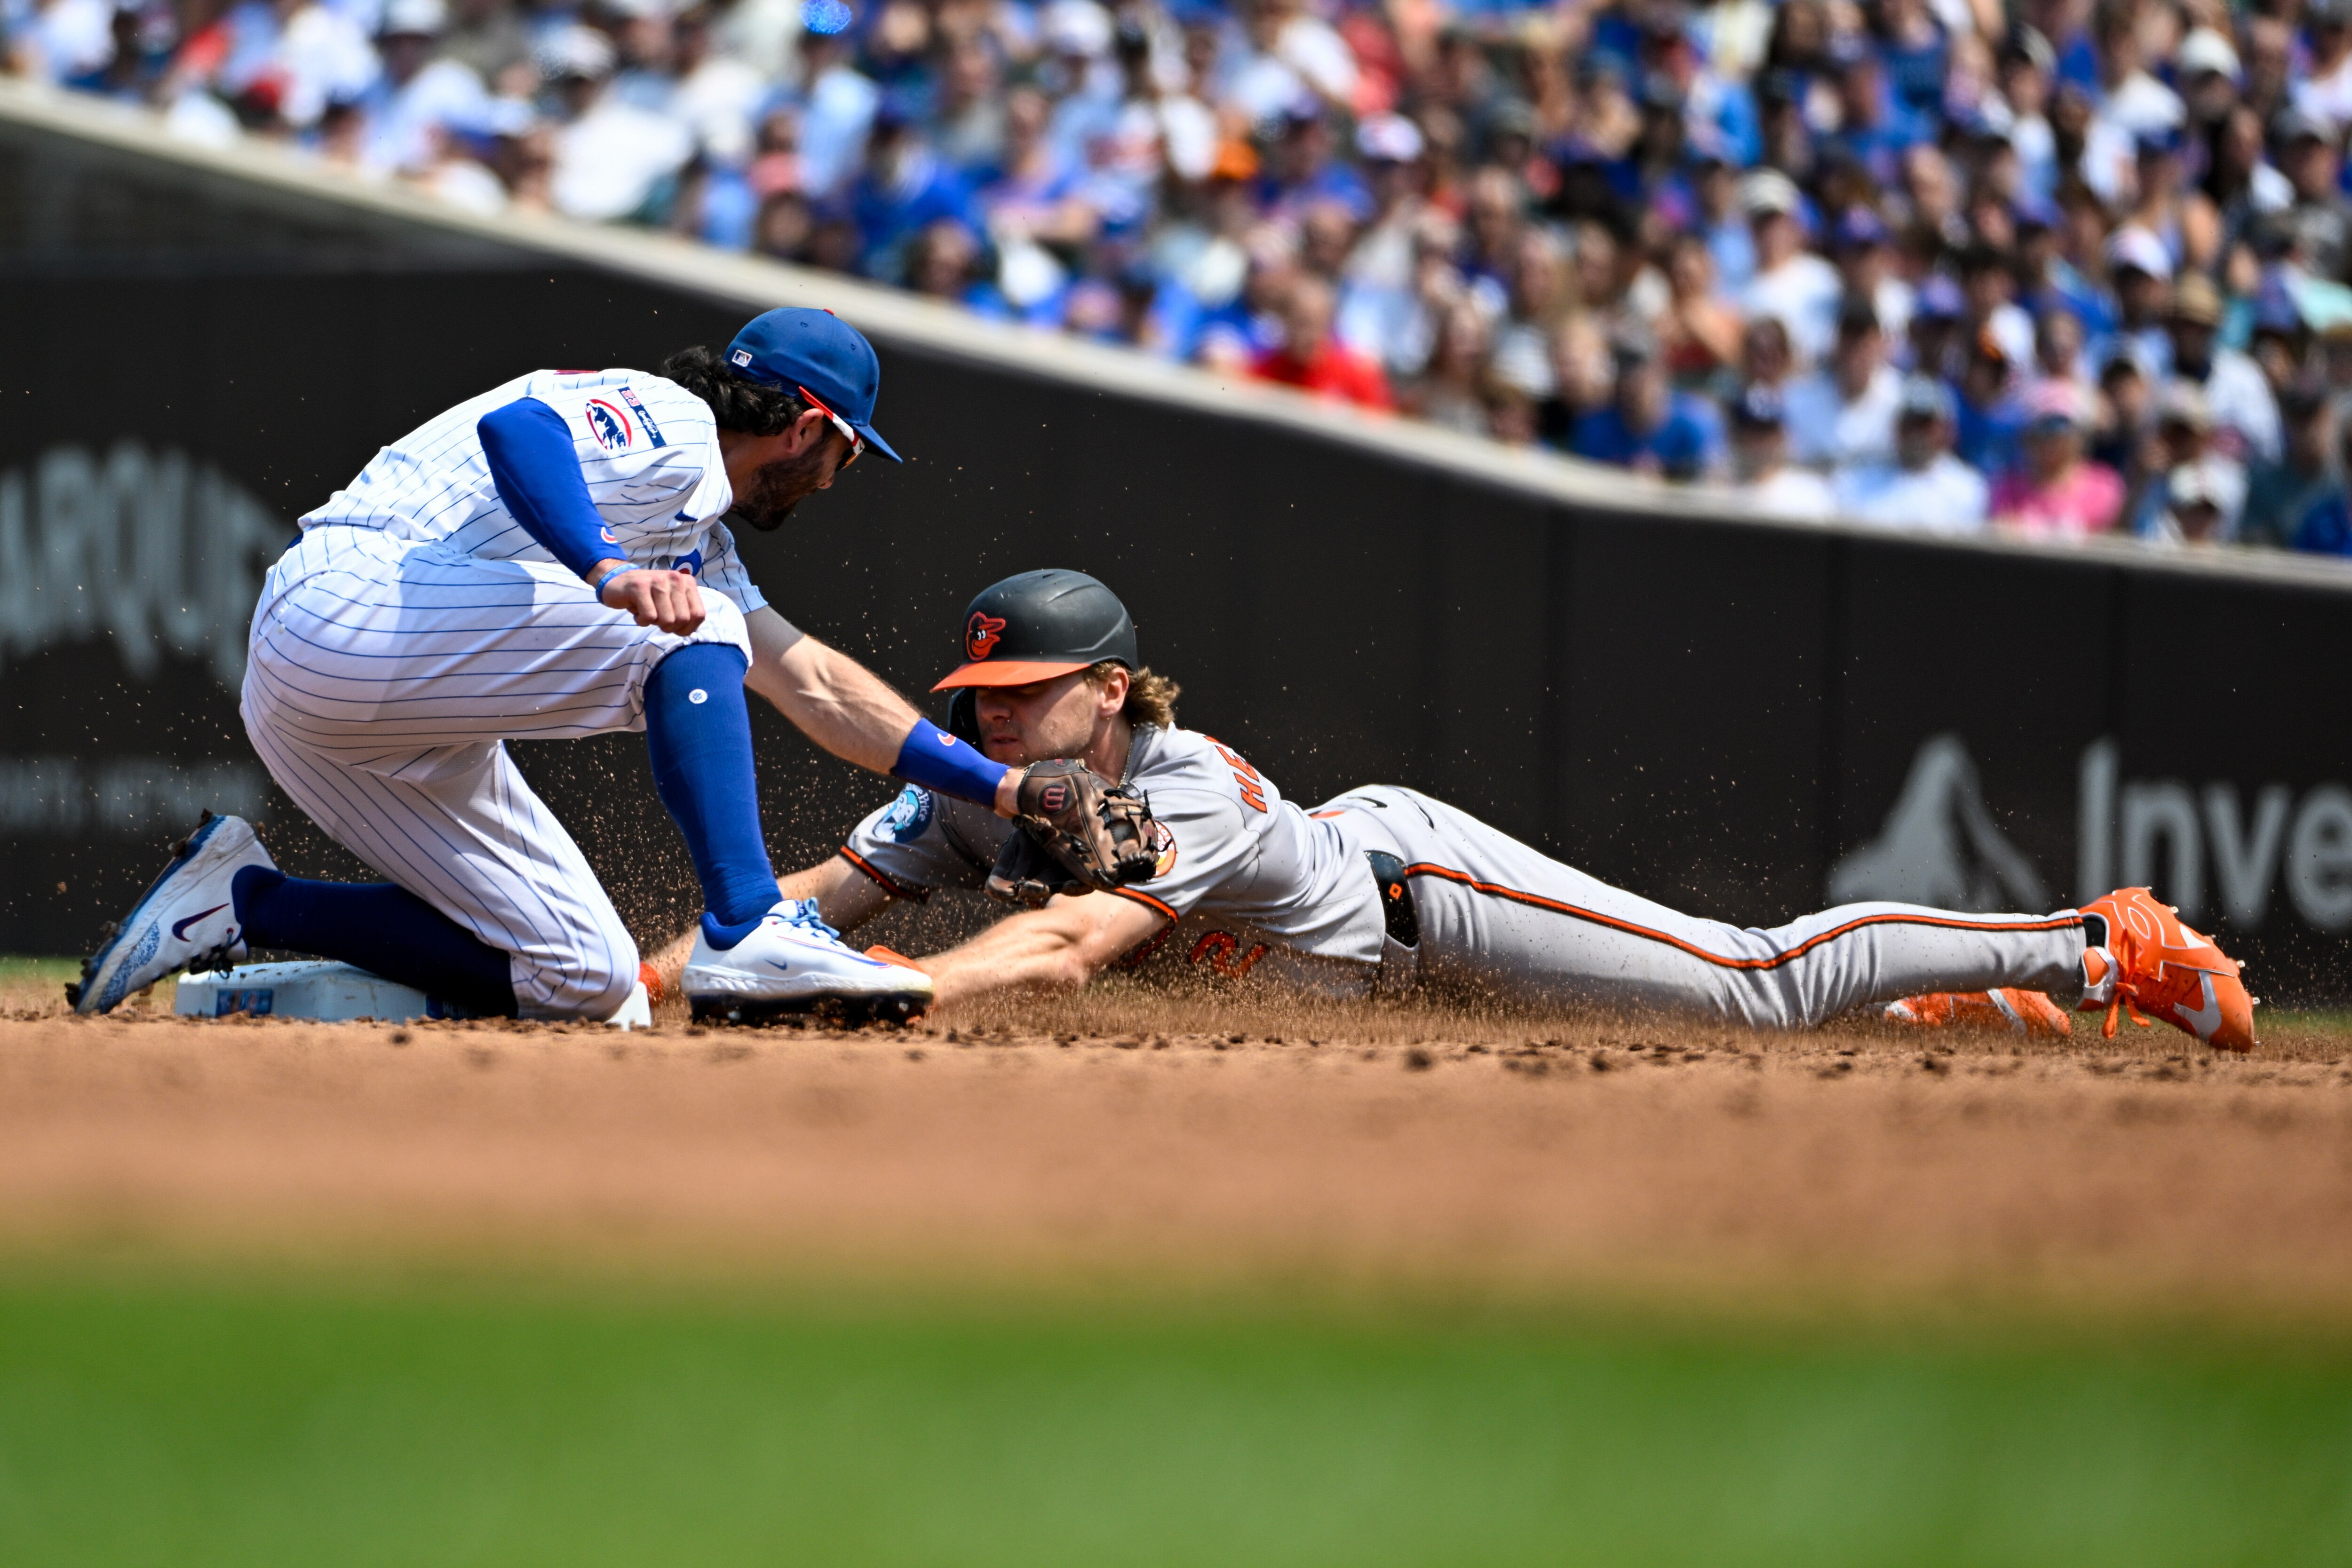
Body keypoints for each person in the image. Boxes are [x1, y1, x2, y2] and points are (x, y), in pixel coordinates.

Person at [650, 570, 2254, 1050]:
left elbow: (1069, 941)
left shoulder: (1178, 785)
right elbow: (792, 902)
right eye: (980, 691)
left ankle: (2096, 939)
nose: (991, 711)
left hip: (1428, 893)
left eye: (1028, 688)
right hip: (1356, 985)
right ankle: (1951, 1002)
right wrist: (632, 979)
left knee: (1758, 987)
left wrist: (868, 998)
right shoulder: (976, 801)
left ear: (1116, 691)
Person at [72, 309, 1078, 1025]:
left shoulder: (699, 541)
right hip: (349, 601)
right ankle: (747, 924)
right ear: (815, 427)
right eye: (845, 457)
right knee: (698, 630)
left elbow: (813, 684)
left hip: (353, 716)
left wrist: (1005, 787)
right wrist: (603, 567)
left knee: (584, 977)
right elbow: (521, 429)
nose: (832, 481)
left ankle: (243, 901)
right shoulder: (670, 419)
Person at [1831, 376, 1990, 533]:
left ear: (1946, 431)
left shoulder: (1968, 490)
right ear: (1896, 428)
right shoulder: (1859, 482)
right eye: (1910, 424)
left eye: (1925, 425)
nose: (1917, 434)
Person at [1989, 382, 2127, 537]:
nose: (2053, 436)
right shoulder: (2006, 488)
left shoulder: (2105, 488)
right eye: (2044, 426)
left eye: (2062, 425)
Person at [1728, 385, 1836, 520]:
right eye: (1754, 432)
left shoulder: (1810, 492)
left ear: (1781, 436)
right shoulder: (1723, 491)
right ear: (1738, 436)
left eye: (1768, 431)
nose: (1762, 441)